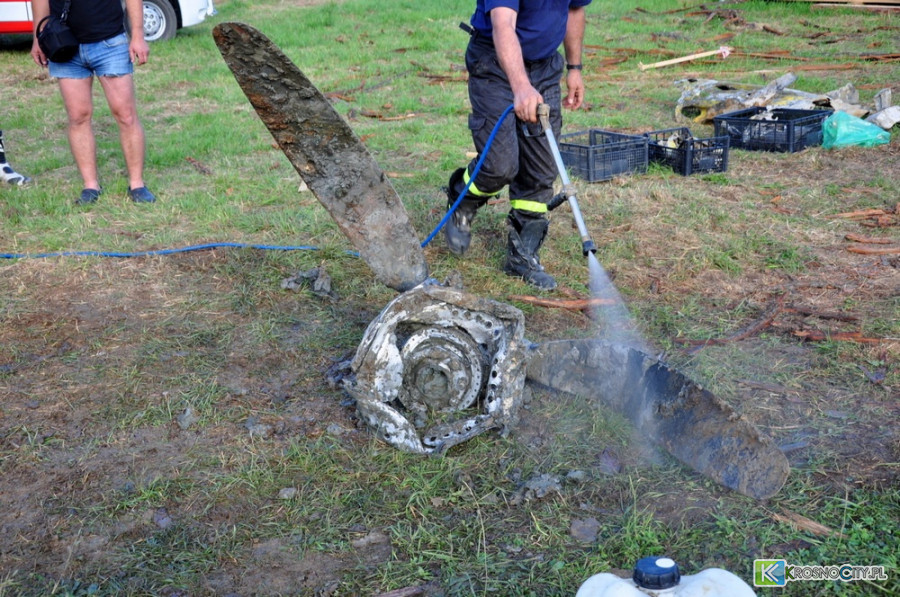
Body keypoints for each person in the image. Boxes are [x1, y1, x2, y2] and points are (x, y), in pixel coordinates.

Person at [443, 0, 590, 290]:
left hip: (545, 65)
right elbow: (503, 25)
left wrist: (574, 67)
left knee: (540, 169)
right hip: (495, 62)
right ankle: (461, 198)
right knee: (499, 165)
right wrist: (521, 86)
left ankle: (523, 253)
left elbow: (574, 9)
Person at [30, 0, 156, 205]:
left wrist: (138, 35)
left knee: (125, 115)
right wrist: (38, 37)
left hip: (109, 41)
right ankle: (90, 186)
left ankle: (137, 185)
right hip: (63, 42)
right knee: (78, 117)